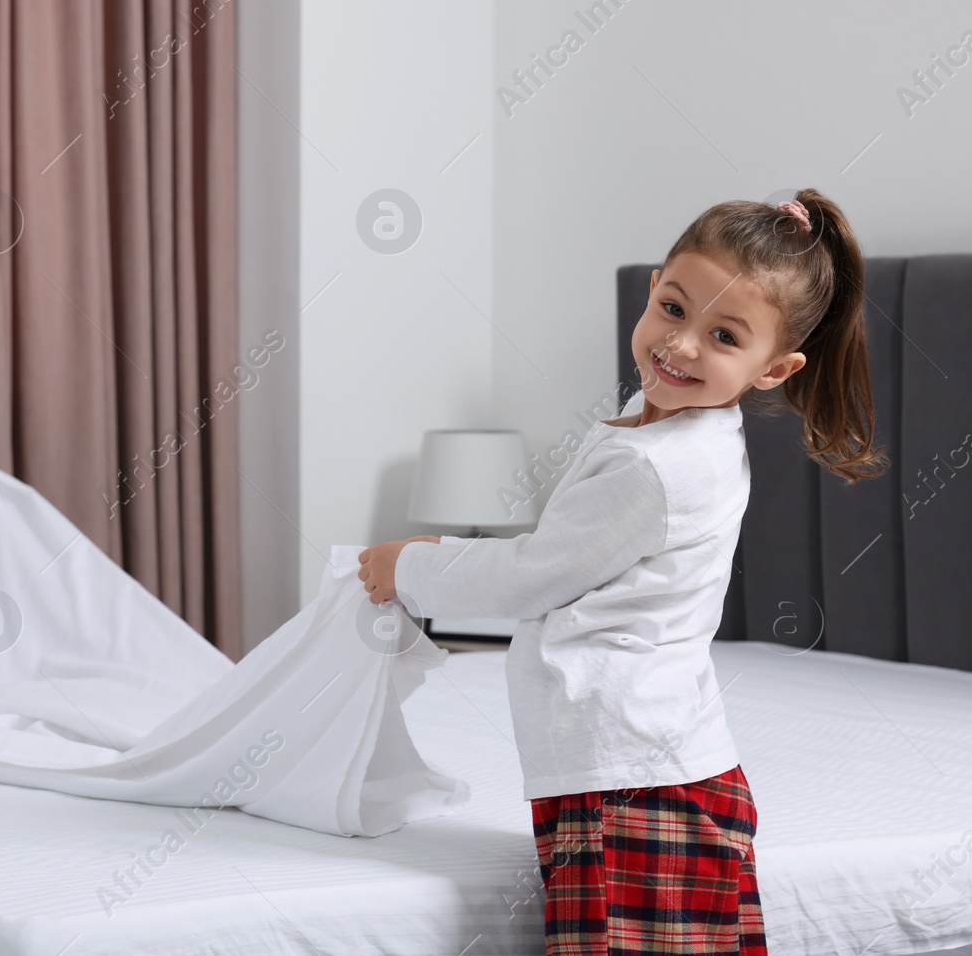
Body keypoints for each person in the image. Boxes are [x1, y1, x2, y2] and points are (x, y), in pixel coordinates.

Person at [357, 189, 887, 954]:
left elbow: (529, 576)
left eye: (725, 335)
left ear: (774, 369)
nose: (682, 346)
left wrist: (410, 566)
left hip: (637, 788)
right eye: (674, 309)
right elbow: (571, 557)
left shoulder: (663, 465)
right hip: (624, 772)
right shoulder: (659, 424)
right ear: (653, 287)